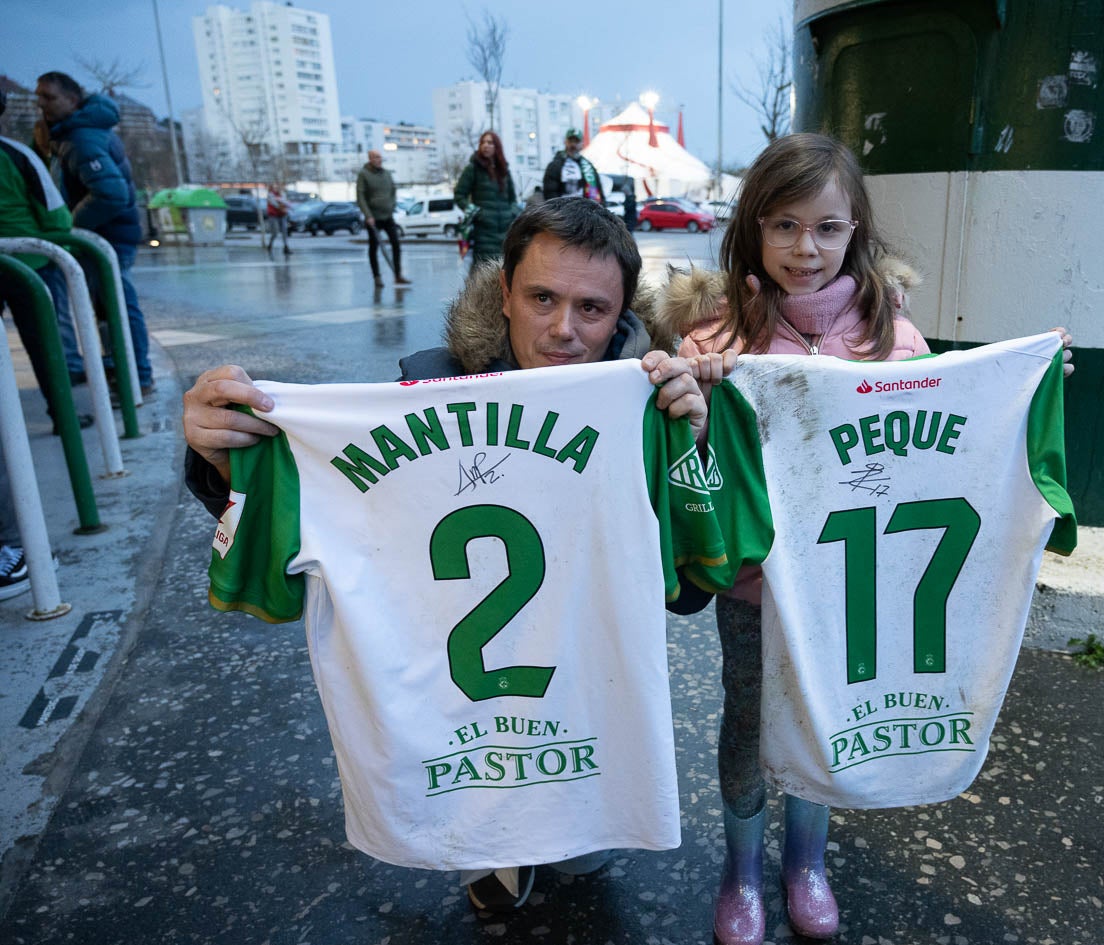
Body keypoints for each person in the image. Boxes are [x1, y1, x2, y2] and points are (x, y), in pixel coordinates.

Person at [181, 196, 731, 914]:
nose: (563, 328)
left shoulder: (649, 405)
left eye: (591, 309)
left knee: (583, 844)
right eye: (541, 297)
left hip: (586, 699)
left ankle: (550, 821)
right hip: (455, 706)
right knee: (491, 827)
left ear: (624, 314)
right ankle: (491, 837)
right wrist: (220, 460)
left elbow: (689, 593)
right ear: (503, 293)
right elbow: (319, 515)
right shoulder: (420, 388)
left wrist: (688, 452)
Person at [668, 132, 1072, 945]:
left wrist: (1018, 394)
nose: (803, 247)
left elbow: (944, 444)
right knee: (747, 722)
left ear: (857, 229)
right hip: (756, 589)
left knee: (827, 714)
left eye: (825, 227)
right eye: (781, 225)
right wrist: (695, 402)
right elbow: (694, 473)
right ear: (752, 228)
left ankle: (805, 862)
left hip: (855, 579)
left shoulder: (896, 339)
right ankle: (742, 869)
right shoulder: (712, 342)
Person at [34, 71, 154, 397]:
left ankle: (135, 378)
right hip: (105, 234)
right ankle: (126, 374)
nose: (40, 103)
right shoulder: (73, 134)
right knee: (108, 308)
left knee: (115, 306)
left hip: (106, 235)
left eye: (48, 96)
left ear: (72, 99)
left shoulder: (81, 138)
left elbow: (111, 193)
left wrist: (72, 226)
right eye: (39, 96)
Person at [0, 86, 94, 434]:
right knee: (46, 345)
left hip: (24, 260)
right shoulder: (15, 153)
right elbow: (55, 214)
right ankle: (62, 416)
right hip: (30, 262)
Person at [453, 130, 518, 265]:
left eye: (489, 142)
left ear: (497, 147)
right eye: (482, 142)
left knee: (504, 273)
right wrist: (477, 213)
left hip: (505, 231)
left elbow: (512, 199)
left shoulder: (504, 171)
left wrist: (511, 213)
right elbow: (459, 195)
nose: (485, 145)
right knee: (482, 275)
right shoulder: (473, 169)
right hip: (484, 232)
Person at [355, 149, 409, 287]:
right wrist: (368, 215)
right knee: (374, 247)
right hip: (373, 218)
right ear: (370, 159)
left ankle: (398, 275)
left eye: (380, 157)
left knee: (396, 244)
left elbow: (393, 191)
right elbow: (360, 196)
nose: (379, 159)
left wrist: (392, 205)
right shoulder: (364, 174)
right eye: (376, 157)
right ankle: (377, 277)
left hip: (387, 216)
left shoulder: (386, 174)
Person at [541, 128, 604, 204]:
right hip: (562, 211)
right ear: (565, 142)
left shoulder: (588, 166)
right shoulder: (555, 165)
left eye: (577, 141)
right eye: (571, 141)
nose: (573, 145)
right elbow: (550, 192)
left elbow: (598, 191)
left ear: (582, 144)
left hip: (586, 211)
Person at [264, 183, 291, 255]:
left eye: (279, 187)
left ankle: (286, 247)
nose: (277, 189)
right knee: (275, 232)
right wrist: (282, 206)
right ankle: (270, 244)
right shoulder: (270, 195)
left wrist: (286, 207)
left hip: (282, 215)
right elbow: (275, 204)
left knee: (284, 231)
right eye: (275, 187)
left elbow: (286, 203)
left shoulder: (283, 194)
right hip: (273, 215)